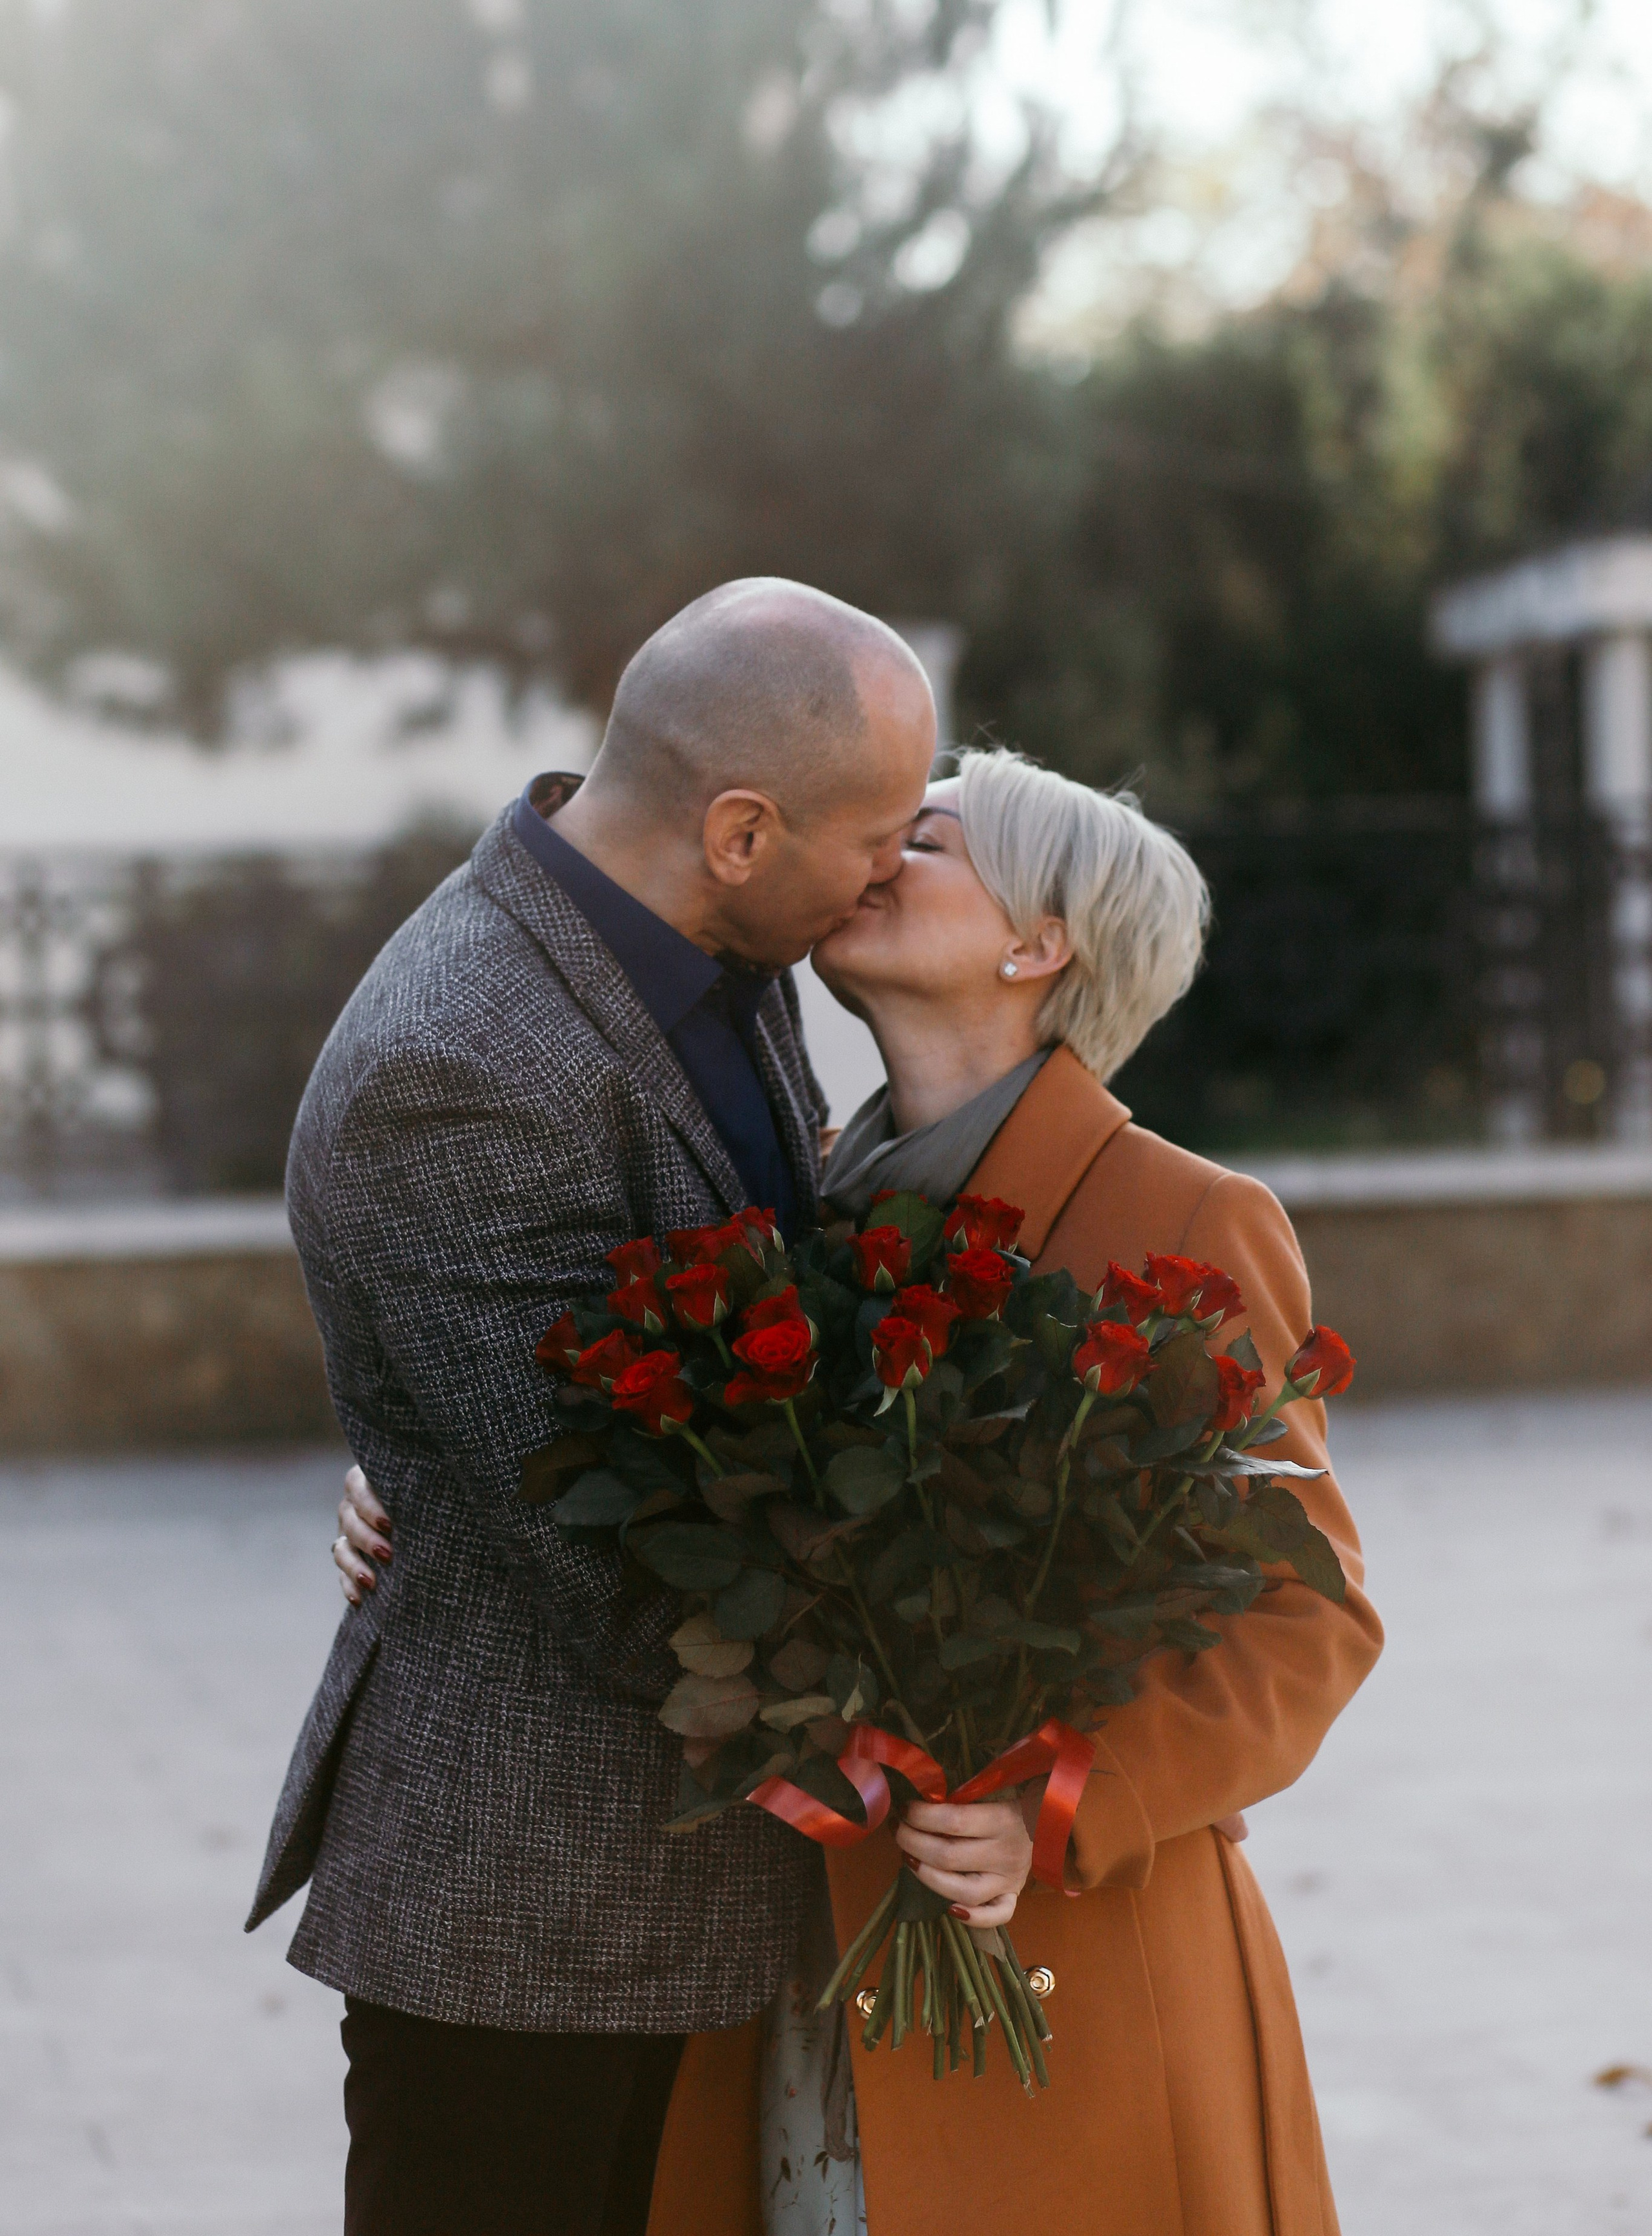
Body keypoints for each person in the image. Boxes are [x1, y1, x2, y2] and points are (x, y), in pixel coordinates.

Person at [334, 746, 1384, 2236]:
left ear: (1036, 942)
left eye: (928, 841)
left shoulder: (1190, 1218)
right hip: (800, 1961)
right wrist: (410, 1476)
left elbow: (1310, 1614)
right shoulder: (803, 1192)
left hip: (1067, 1953)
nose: (873, 860)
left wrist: (1059, 1804)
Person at [245, 576, 938, 2236]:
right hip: (529, 1901)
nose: (893, 871)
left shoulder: (722, 951)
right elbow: (604, 1542)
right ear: (741, 829)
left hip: (683, 1869)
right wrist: (957, 1661)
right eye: (880, 835)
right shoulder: (458, 1061)